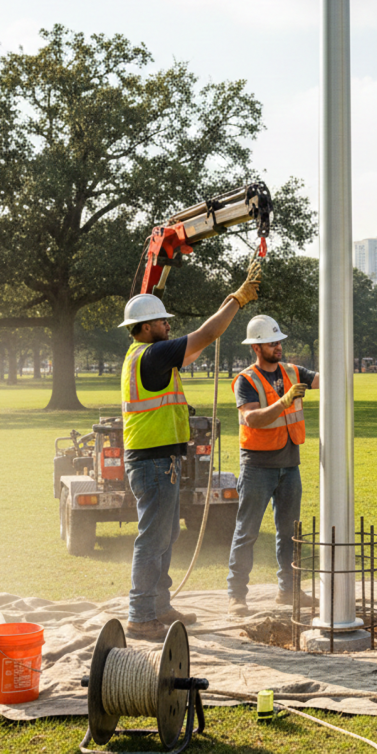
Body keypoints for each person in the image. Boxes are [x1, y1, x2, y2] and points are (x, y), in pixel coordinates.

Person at [119, 267, 260, 641]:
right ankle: (141, 614)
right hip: (152, 461)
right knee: (153, 539)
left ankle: (159, 605)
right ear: (147, 326)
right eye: (163, 322)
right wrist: (236, 300)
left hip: (155, 459)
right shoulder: (152, 354)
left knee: (164, 537)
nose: (168, 326)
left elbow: (196, 347)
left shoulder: (142, 355)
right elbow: (208, 334)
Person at [226, 315, 319, 615]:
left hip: (289, 465)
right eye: (271, 342)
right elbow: (252, 417)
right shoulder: (246, 380)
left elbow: (322, 380)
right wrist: (284, 401)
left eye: (279, 341)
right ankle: (236, 596)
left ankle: (289, 591)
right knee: (247, 532)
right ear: (257, 347)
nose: (278, 346)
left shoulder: (293, 371)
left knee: (291, 533)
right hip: (258, 467)